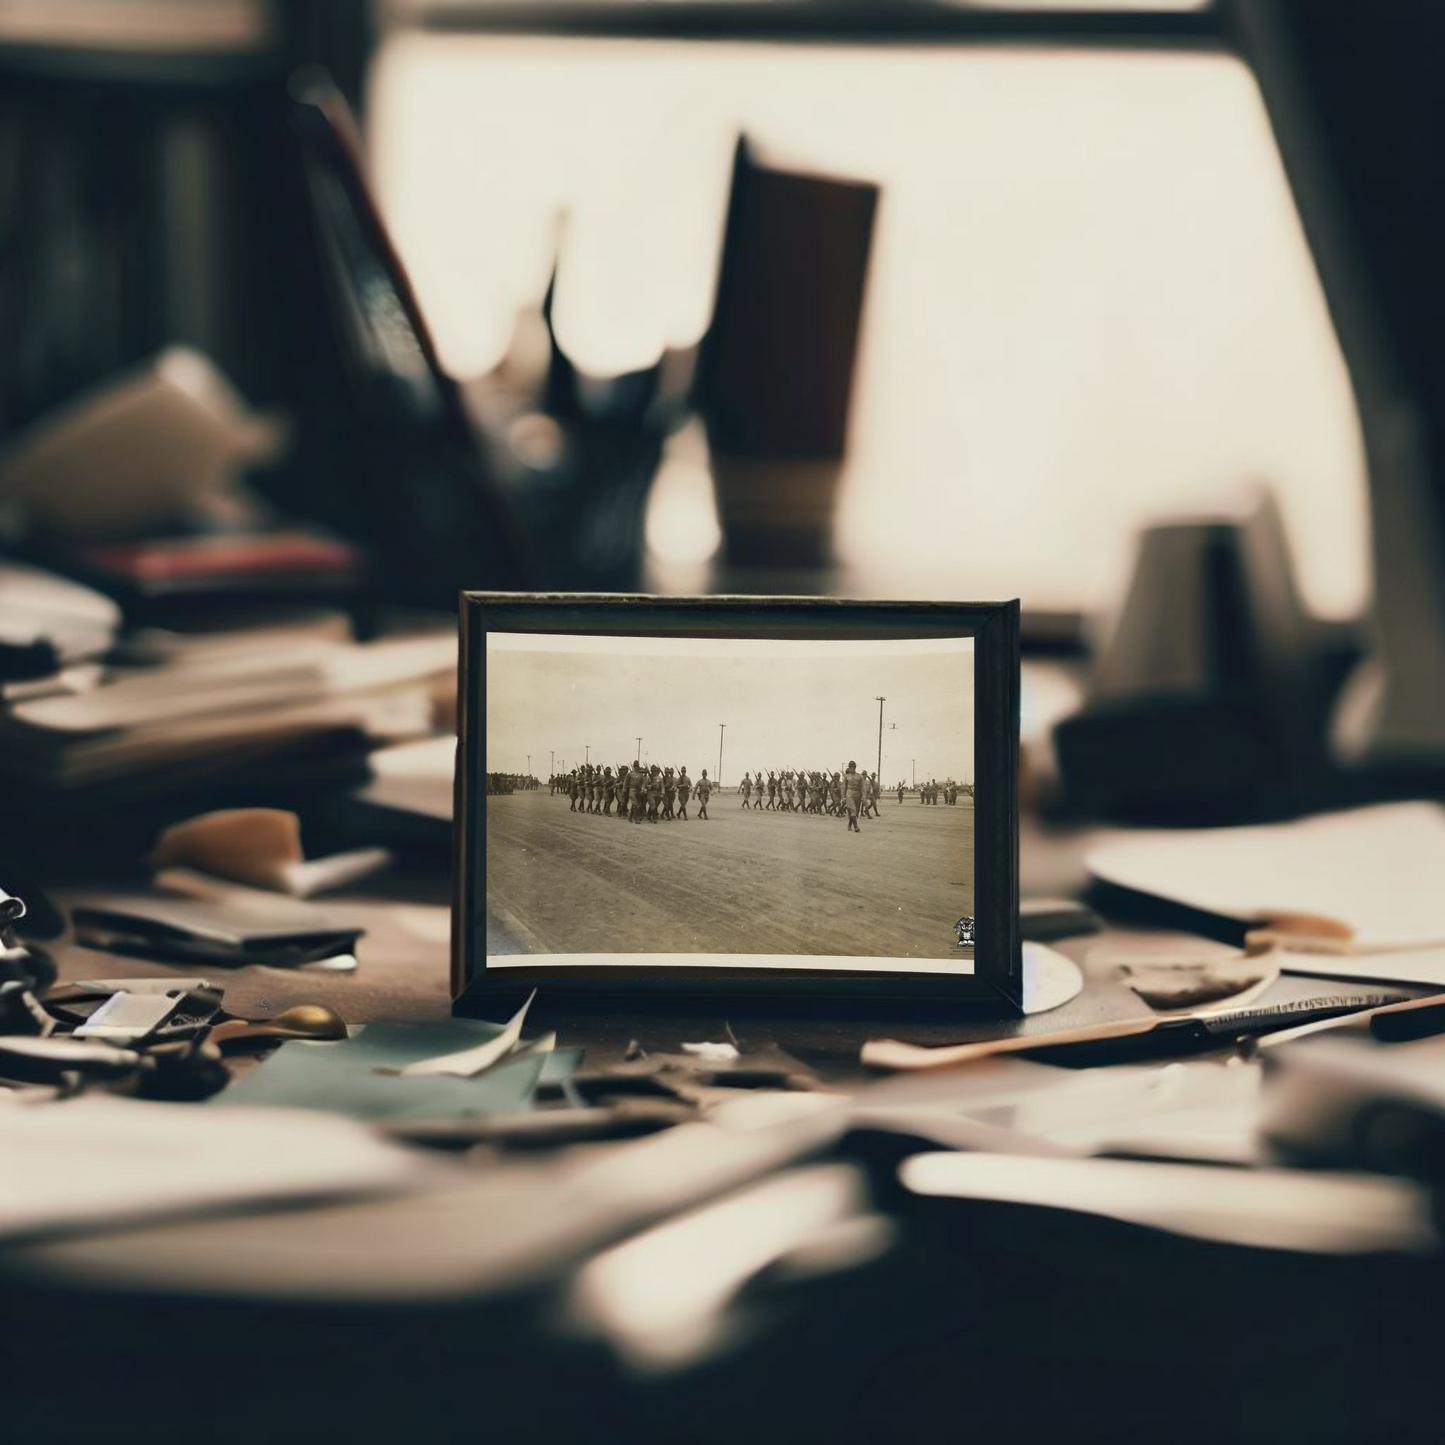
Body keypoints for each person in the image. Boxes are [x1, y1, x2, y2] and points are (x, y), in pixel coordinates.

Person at [842, 760, 864, 834]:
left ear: (854, 767)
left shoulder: (859, 776)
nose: (850, 769)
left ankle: (849, 824)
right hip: (849, 795)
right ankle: (856, 827)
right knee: (853, 809)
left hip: (857, 795)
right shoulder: (846, 777)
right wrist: (843, 797)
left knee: (856, 812)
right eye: (849, 767)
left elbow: (863, 787)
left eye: (851, 767)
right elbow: (844, 787)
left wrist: (864, 797)